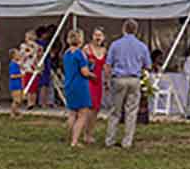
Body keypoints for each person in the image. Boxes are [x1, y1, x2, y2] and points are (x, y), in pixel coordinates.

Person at [105, 19, 152, 150]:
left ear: (124, 29)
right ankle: (127, 141)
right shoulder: (142, 46)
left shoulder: (115, 44)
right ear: (135, 30)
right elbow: (148, 65)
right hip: (134, 79)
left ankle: (110, 140)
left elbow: (108, 64)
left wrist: (107, 81)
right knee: (131, 111)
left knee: (115, 111)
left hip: (119, 78)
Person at [62, 28, 96, 148]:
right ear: (80, 40)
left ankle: (70, 136)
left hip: (68, 84)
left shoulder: (66, 53)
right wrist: (93, 75)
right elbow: (84, 72)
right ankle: (75, 141)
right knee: (82, 114)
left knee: (72, 113)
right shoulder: (80, 54)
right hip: (80, 85)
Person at [82, 29, 109, 144]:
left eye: (100, 35)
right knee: (88, 108)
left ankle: (90, 133)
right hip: (88, 80)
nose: (98, 37)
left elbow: (106, 67)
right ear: (92, 36)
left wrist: (107, 80)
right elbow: (81, 65)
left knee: (96, 109)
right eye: (96, 35)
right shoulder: (86, 49)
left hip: (99, 82)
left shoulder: (104, 50)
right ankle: (84, 133)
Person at [17, 30, 43, 111]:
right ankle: (29, 102)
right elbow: (22, 56)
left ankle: (33, 103)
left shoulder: (38, 47)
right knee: (28, 86)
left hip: (34, 69)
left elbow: (40, 56)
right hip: (27, 68)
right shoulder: (23, 46)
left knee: (34, 87)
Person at [8, 49, 23, 117]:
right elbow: (12, 76)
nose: (19, 55)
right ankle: (12, 112)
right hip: (15, 85)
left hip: (19, 84)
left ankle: (16, 111)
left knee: (19, 99)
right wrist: (21, 75)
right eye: (18, 54)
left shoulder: (17, 64)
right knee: (16, 100)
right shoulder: (12, 64)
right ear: (14, 56)